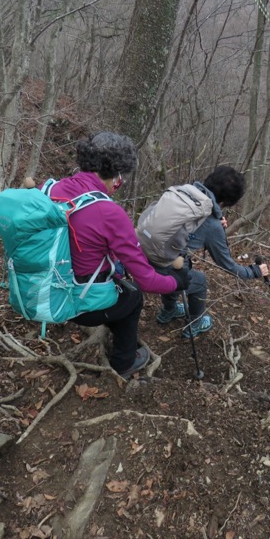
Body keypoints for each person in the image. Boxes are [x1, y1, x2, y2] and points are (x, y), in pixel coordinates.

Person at [39, 132, 189, 378]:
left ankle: (114, 334)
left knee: (119, 283)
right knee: (133, 297)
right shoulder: (109, 211)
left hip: (44, 288)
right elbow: (148, 281)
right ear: (116, 172)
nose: (120, 182)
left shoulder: (50, 187)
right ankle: (124, 362)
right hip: (77, 304)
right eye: (121, 176)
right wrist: (178, 281)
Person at [155, 166, 269, 338]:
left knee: (177, 264)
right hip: (160, 273)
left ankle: (168, 311)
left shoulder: (183, 194)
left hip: (142, 258)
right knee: (199, 281)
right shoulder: (211, 224)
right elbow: (227, 265)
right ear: (227, 201)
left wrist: (216, 221)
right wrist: (253, 271)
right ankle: (195, 323)